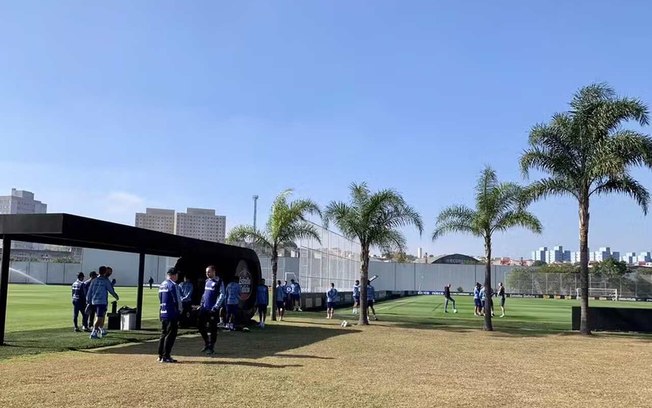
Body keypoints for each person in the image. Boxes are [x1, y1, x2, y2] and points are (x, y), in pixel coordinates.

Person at [86, 266, 119, 339]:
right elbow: (110, 290)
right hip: (101, 301)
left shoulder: (94, 280)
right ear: (105, 272)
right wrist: (116, 296)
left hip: (94, 301)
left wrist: (88, 300)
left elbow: (89, 291)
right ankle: (94, 332)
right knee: (99, 318)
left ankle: (100, 330)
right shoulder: (105, 281)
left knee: (100, 316)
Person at [198, 265, 223, 354]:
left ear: (213, 271)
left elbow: (222, 295)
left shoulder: (219, 282)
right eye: (206, 272)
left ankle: (211, 346)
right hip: (204, 308)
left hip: (213, 309)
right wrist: (201, 304)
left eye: (209, 272)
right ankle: (206, 342)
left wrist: (216, 307)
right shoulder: (207, 281)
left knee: (213, 329)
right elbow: (204, 294)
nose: (207, 274)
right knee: (200, 325)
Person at [158, 268, 180, 363]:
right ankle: (166, 355)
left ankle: (160, 355)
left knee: (163, 334)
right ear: (174, 275)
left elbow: (160, 297)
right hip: (172, 312)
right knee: (171, 335)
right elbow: (177, 300)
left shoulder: (162, 285)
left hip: (163, 311)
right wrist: (179, 310)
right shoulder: (173, 285)